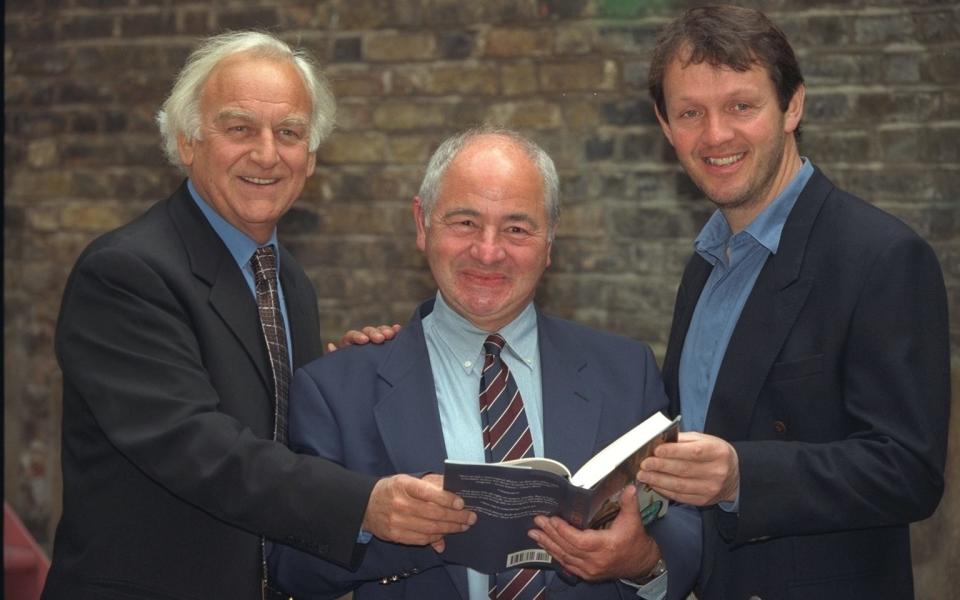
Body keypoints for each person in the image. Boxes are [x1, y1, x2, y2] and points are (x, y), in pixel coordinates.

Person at [43, 31, 473, 600]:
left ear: (311, 158)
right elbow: (198, 448)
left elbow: (276, 433)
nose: (267, 153)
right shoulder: (126, 273)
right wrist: (363, 505)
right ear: (187, 141)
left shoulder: (287, 280)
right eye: (240, 128)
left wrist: (343, 383)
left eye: (289, 133)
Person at [270, 128, 701, 600]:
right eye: (465, 223)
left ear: (550, 241)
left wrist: (642, 560)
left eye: (516, 228)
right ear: (422, 223)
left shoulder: (627, 371)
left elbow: (681, 524)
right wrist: (378, 523)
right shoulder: (335, 389)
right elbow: (291, 567)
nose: (489, 251)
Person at [633, 6, 951, 599]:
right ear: (664, 123)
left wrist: (741, 476)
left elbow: (908, 473)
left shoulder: (883, 257)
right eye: (690, 113)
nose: (715, 135)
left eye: (741, 106)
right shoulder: (704, 265)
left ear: (793, 107)